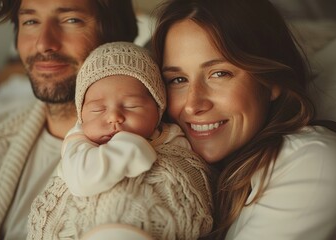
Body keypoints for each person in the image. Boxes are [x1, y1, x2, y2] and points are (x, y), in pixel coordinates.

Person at [0, 0, 138, 239]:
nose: (44, 43)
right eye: (31, 21)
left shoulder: (139, 161)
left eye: (71, 20)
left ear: (116, 36)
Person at [151, 0, 336, 239]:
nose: (194, 104)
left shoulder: (314, 161)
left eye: (219, 74)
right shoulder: (178, 169)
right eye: (178, 80)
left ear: (270, 81)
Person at [27, 41, 214, 240]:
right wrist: (130, 148)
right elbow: (82, 179)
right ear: (82, 114)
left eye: (132, 106)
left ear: (158, 111)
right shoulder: (78, 142)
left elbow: (192, 175)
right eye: (98, 109)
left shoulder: (171, 135)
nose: (114, 117)